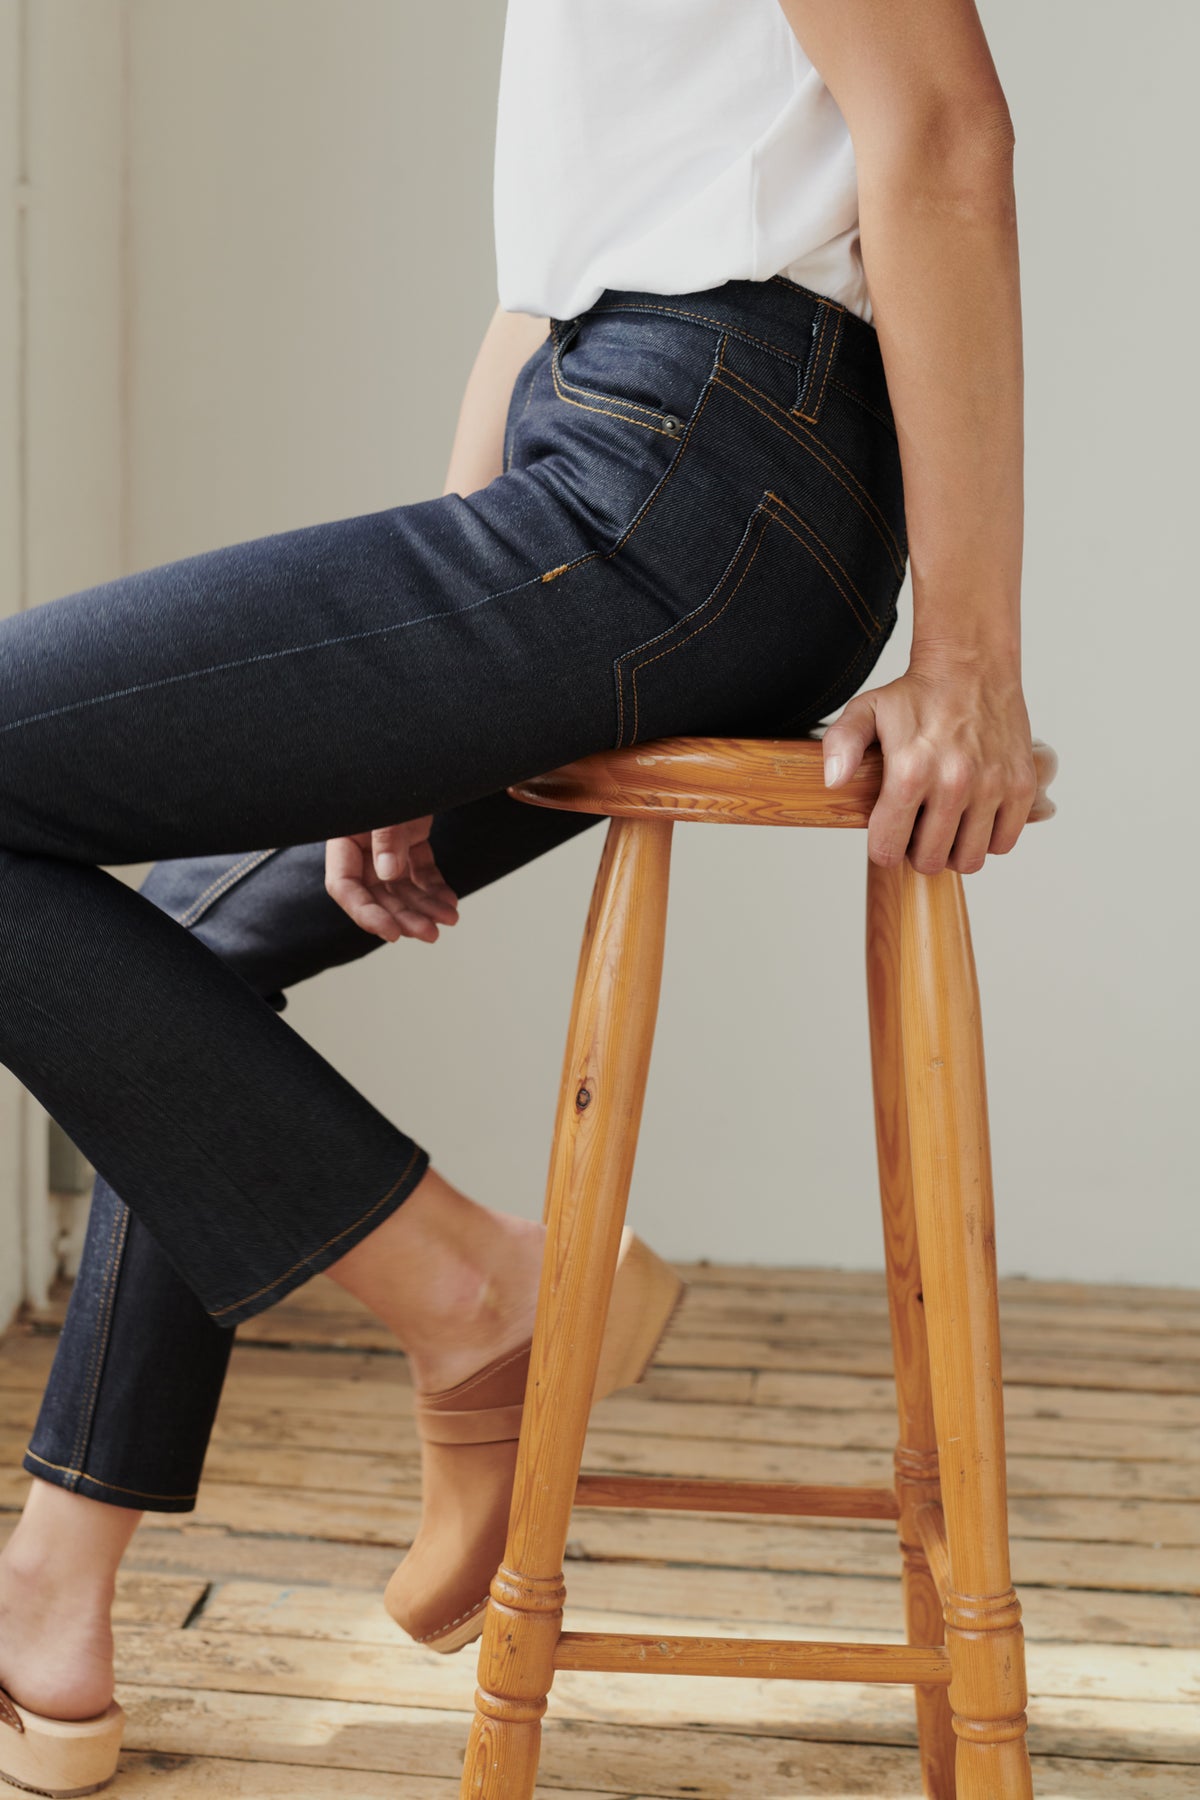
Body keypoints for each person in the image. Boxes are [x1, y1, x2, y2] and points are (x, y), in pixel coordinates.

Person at [0, 0, 1036, 1790]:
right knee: (199, 922)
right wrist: (408, 715)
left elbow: (945, 135)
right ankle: (49, 1606)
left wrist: (971, 656)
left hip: (696, 464)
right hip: (636, 457)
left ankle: (477, 1294)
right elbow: (548, 285)